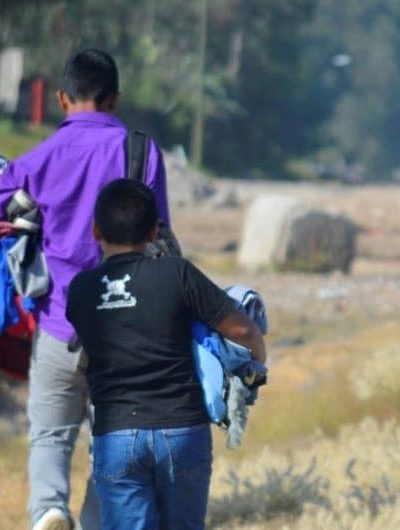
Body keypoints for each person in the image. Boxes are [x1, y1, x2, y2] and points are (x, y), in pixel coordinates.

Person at [0, 49, 169, 530]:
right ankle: (99, 522)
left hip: (58, 323)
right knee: (114, 441)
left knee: (50, 435)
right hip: (126, 330)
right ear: (114, 99)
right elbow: (162, 237)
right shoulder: (142, 152)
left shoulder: (42, 156)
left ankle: (50, 510)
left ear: (61, 98)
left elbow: (3, 198)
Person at [65, 178, 267, 530]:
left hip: (117, 432)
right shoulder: (177, 273)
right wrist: (256, 368)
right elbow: (243, 330)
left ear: (96, 230)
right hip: (182, 430)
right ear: (153, 230)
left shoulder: (81, 289)